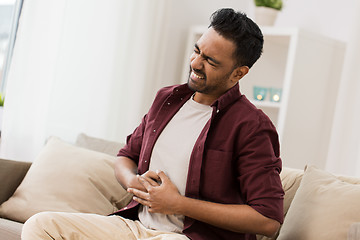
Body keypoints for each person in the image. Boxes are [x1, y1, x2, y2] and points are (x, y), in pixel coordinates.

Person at [21, 8, 284, 240]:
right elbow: (126, 156)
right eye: (196, 50)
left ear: (239, 73)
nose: (195, 63)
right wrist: (132, 181)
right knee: (41, 225)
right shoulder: (167, 99)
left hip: (188, 237)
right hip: (134, 227)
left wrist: (179, 204)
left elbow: (267, 220)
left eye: (210, 61)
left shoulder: (252, 126)